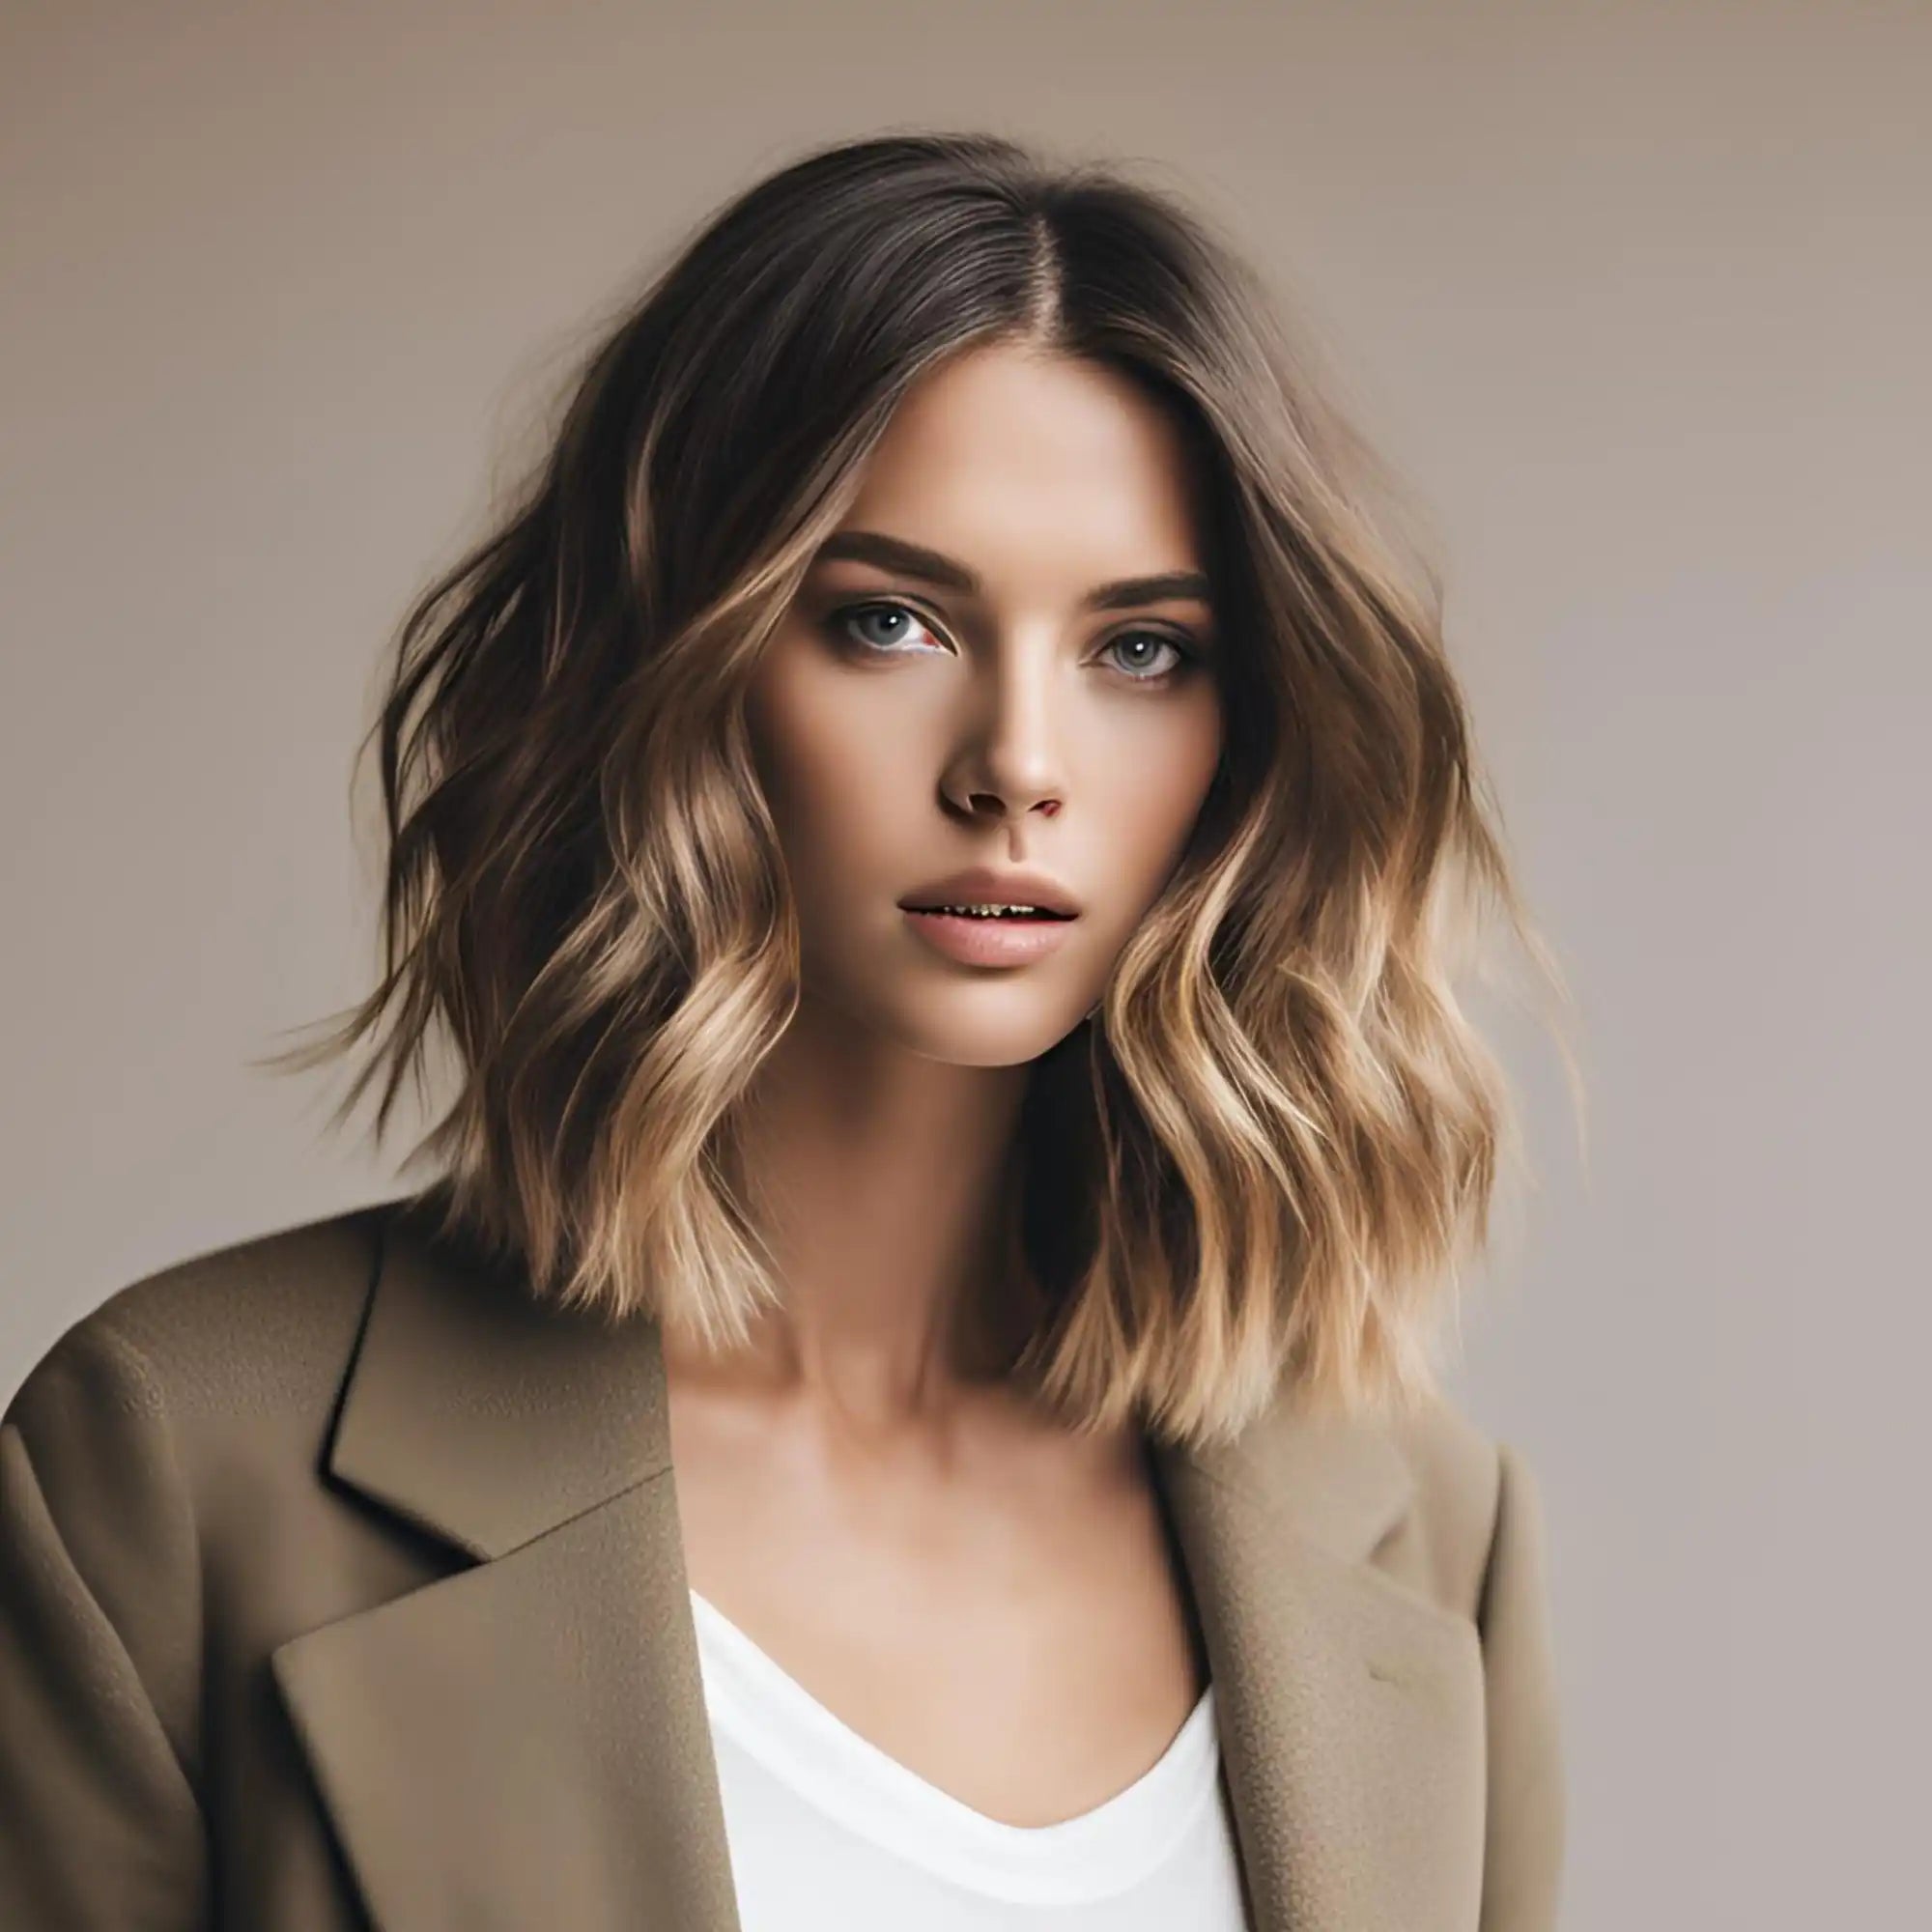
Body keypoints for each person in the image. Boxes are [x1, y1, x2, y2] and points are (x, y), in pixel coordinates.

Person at [0, 130, 1569, 1930]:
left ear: (1251, 736)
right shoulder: (172, 1471)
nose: (1019, 768)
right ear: (674, 662)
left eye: (1140, 651)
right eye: (887, 621)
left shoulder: (1429, 1537)